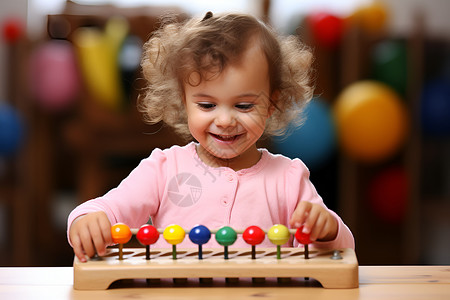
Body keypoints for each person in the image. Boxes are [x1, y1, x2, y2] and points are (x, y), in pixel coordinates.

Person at [68, 12, 354, 262]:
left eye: (244, 105)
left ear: (272, 103)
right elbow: (104, 209)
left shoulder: (288, 178)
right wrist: (87, 220)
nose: (226, 120)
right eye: (207, 105)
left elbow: (343, 248)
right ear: (183, 101)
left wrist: (327, 229)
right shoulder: (163, 170)